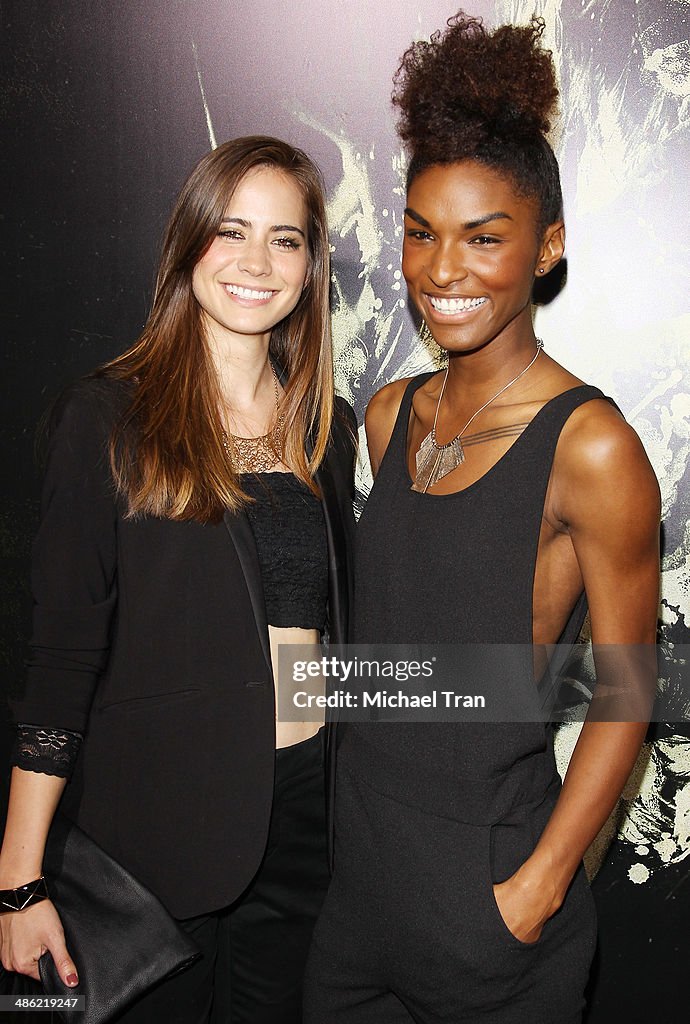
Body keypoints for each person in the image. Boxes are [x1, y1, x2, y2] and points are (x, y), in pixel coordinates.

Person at [304, 13, 659, 1024]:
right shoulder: (388, 415)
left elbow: (627, 692)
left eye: (483, 237)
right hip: (358, 895)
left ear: (547, 247)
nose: (441, 269)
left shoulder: (592, 449)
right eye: (421, 232)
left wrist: (540, 885)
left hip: (492, 912)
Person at [0, 136, 355, 1023]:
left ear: (311, 266)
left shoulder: (329, 429)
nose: (255, 262)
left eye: (285, 239)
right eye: (230, 231)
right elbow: (59, 665)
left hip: (306, 824)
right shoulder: (108, 420)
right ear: (188, 244)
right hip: (158, 837)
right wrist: (18, 881)